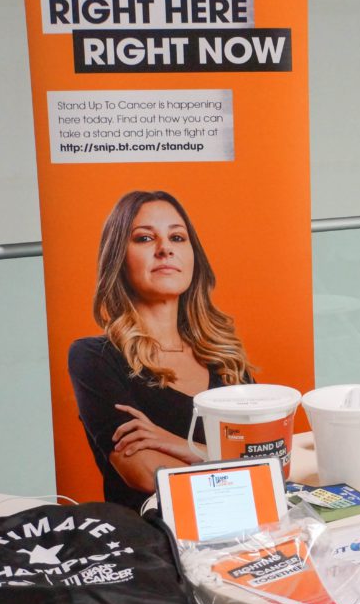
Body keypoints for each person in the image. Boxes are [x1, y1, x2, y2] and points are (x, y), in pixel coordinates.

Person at [69, 190, 254, 510]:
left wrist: (178, 445)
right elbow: (144, 473)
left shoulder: (222, 356)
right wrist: (236, 465)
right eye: (144, 238)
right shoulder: (95, 358)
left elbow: (271, 455)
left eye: (177, 237)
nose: (165, 249)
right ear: (118, 258)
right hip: (155, 535)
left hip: (250, 526)